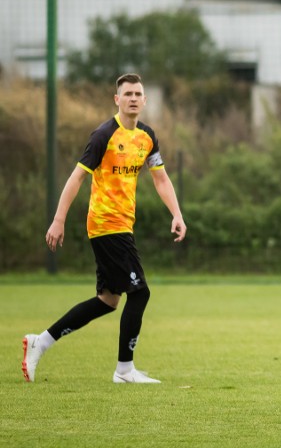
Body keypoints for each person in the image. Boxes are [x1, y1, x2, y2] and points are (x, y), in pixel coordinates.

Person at [24, 73, 186, 384]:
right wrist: (58, 220)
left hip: (123, 225)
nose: (134, 98)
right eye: (128, 94)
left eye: (138, 93)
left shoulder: (148, 136)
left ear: (145, 99)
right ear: (117, 99)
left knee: (109, 301)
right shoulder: (103, 135)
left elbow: (161, 178)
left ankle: (40, 341)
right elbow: (77, 177)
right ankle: (124, 370)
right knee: (139, 294)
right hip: (105, 223)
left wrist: (176, 213)